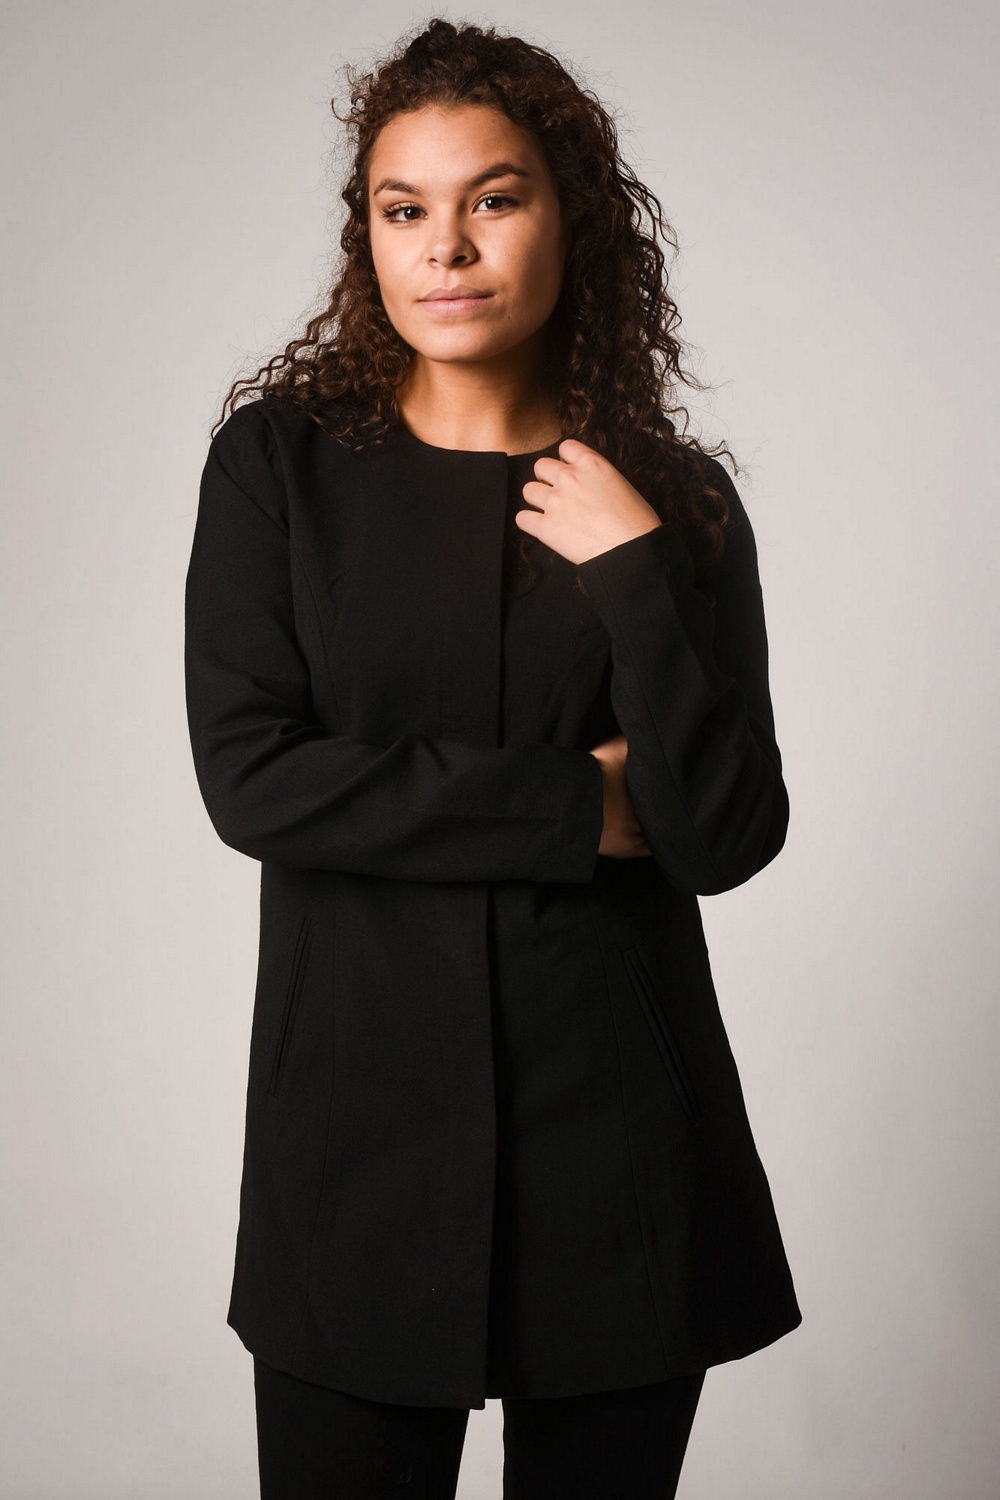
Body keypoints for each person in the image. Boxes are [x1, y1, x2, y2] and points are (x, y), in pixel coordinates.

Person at [184, 17, 801, 1498]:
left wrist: (635, 571)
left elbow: (725, 833)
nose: (446, 248)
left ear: (571, 219)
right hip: (356, 1144)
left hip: (620, 1149)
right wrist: (575, 806)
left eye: (495, 200)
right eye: (405, 209)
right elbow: (256, 777)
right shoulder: (280, 466)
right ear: (368, 236)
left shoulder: (673, 502)